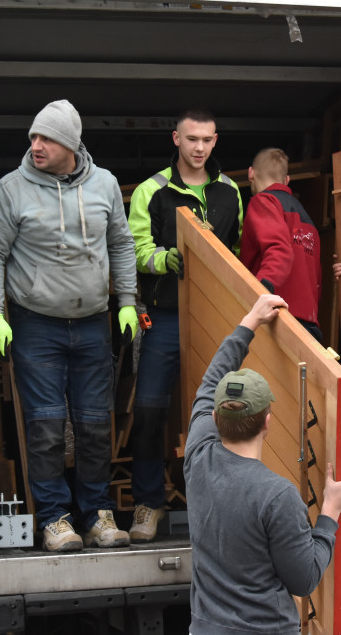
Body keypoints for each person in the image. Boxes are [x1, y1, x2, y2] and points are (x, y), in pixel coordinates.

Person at [0, 99, 139, 552]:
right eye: (33, 137)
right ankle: (55, 519)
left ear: (70, 144)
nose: (35, 145)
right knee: (47, 428)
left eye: (45, 138)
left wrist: (126, 301)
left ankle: (98, 515)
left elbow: (122, 244)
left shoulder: (105, 184)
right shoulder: (13, 190)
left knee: (93, 427)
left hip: (92, 324)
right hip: (37, 326)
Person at [184, 293, 341, 634]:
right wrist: (330, 513)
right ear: (267, 422)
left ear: (216, 416)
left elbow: (209, 383)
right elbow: (304, 579)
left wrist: (250, 321)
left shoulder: (198, 456)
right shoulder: (276, 495)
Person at [126, 109, 243, 541]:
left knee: (227, 413)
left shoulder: (231, 191)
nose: (199, 148)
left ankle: (226, 506)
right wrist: (166, 259)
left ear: (216, 141)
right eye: (191, 139)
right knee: (149, 411)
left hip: (216, 318)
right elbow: (137, 250)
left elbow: (236, 255)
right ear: (176, 138)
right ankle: (148, 505)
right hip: (166, 316)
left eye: (207, 140)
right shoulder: (151, 191)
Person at [239, 147, 326, 342]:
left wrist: (260, 294)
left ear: (250, 173)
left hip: (275, 320)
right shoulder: (308, 221)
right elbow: (317, 277)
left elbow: (278, 250)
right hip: (309, 326)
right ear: (287, 180)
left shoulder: (263, 202)